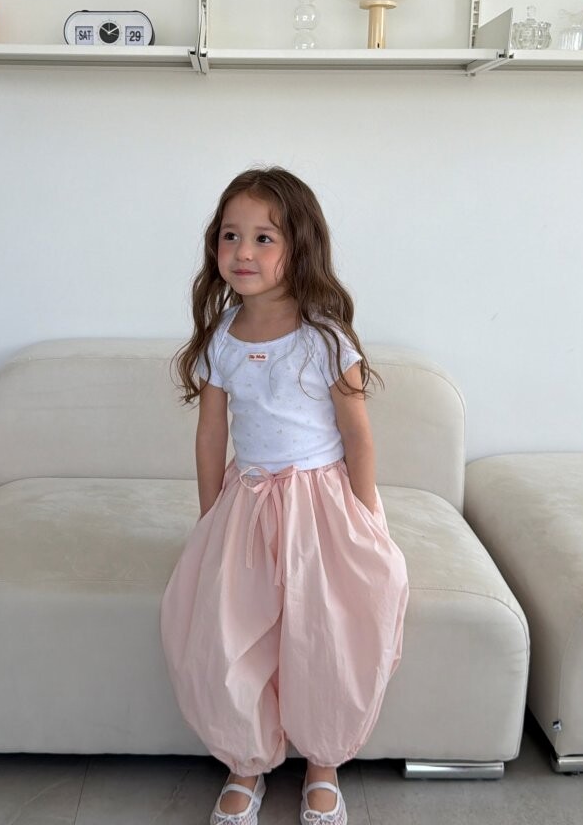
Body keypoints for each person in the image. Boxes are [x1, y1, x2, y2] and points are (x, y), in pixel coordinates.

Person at [160, 167, 409, 825]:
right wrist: (211, 518)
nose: (243, 251)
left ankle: (323, 762)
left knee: (323, 631)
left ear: (299, 246)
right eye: (230, 236)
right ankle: (245, 761)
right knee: (232, 631)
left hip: (321, 507)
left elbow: (357, 435)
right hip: (247, 503)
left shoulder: (325, 337)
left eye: (263, 238)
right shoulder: (221, 339)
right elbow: (211, 435)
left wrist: (365, 515)